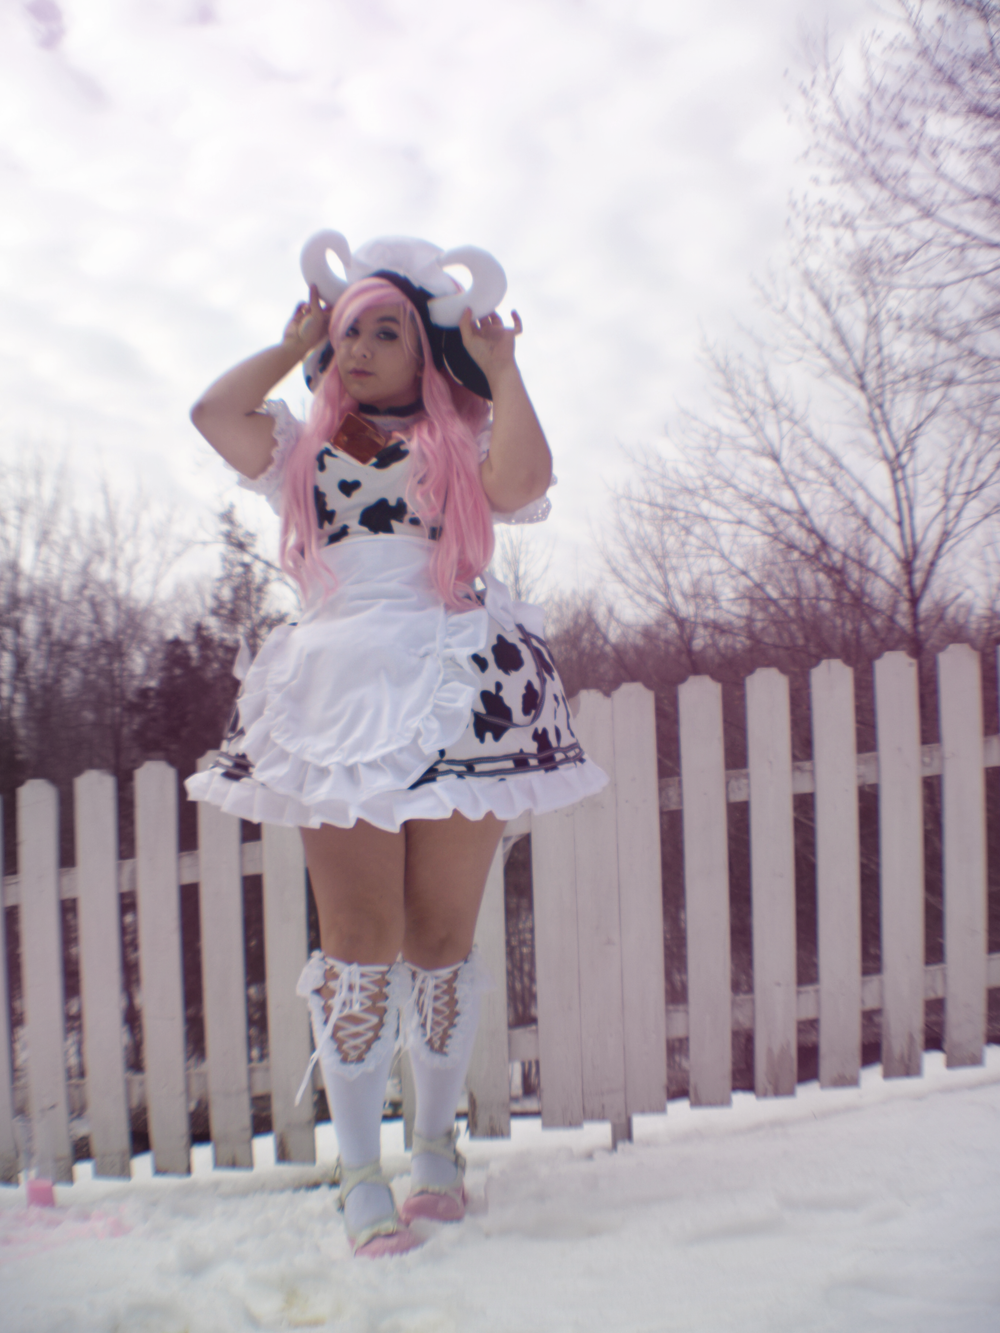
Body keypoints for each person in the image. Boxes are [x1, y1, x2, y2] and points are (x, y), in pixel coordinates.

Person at [186, 232, 607, 1257]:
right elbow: (212, 413)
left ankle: (432, 1147)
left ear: (425, 351)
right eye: (350, 332)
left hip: (461, 682)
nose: (363, 347)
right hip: (337, 694)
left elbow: (527, 480)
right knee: (360, 932)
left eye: (388, 331)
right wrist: (292, 347)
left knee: (440, 933)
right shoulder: (297, 449)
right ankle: (359, 1168)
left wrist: (501, 369)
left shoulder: (458, 442)